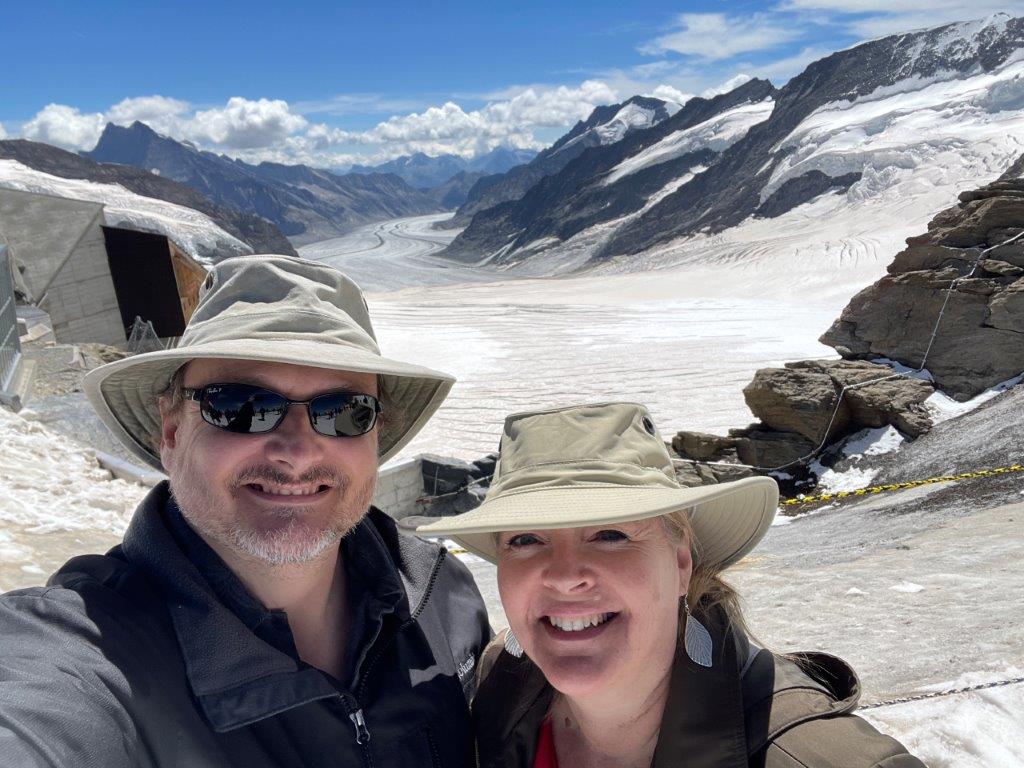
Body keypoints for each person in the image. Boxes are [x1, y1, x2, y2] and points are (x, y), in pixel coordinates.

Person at [0, 255, 491, 767]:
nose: (297, 452)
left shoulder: (443, 597)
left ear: (375, 435)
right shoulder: (90, 653)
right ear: (171, 430)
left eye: (344, 412)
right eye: (239, 406)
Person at [416, 402, 925, 768]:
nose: (567, 575)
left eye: (610, 534)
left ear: (680, 562)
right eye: (526, 539)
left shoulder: (828, 759)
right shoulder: (496, 684)